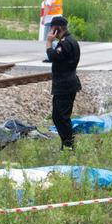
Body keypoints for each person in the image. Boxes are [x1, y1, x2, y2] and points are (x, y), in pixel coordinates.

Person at [46, 17, 81, 150]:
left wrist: (49, 42)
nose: (50, 30)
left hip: (65, 86)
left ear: (58, 28)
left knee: (62, 117)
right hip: (66, 84)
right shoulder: (69, 41)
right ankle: (66, 145)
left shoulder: (65, 42)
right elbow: (61, 58)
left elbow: (53, 56)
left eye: (52, 28)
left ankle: (68, 147)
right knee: (57, 117)